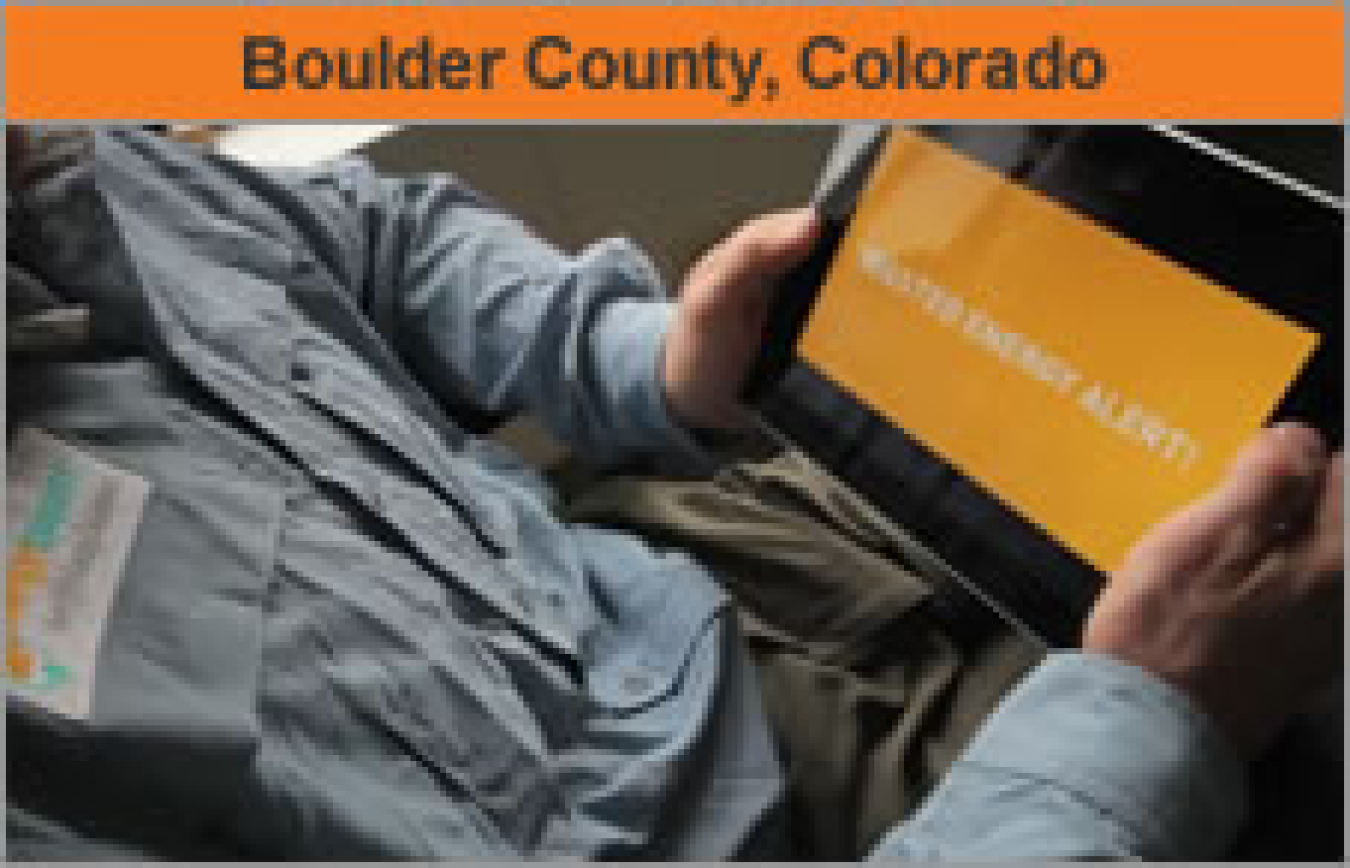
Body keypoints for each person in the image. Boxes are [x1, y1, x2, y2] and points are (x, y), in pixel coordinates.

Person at [5, 126, 1342, 861]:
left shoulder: (50, 169)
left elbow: (375, 242)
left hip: (665, 603)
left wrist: (644, 362)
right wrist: (1146, 727)